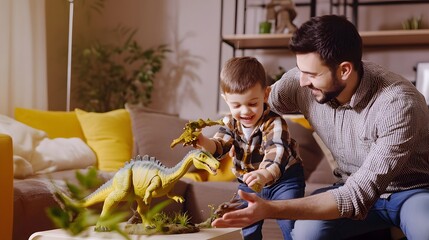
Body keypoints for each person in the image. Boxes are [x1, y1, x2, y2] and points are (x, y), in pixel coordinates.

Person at [212, 15, 429, 239]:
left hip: (410, 192)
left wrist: (270, 208)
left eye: (312, 74)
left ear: (344, 70)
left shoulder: (398, 104)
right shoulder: (300, 83)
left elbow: (357, 194)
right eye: (300, 70)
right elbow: (254, 102)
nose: (302, 81)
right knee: (306, 233)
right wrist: (237, 139)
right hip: (346, 185)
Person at [196, 56, 305, 239]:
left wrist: (263, 174)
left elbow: (277, 150)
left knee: (291, 224)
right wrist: (203, 142)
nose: (245, 111)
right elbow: (220, 146)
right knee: (247, 226)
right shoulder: (230, 123)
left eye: (253, 103)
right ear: (226, 99)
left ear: (265, 94)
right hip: (248, 183)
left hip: (284, 181)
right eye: (236, 105)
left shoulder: (274, 122)